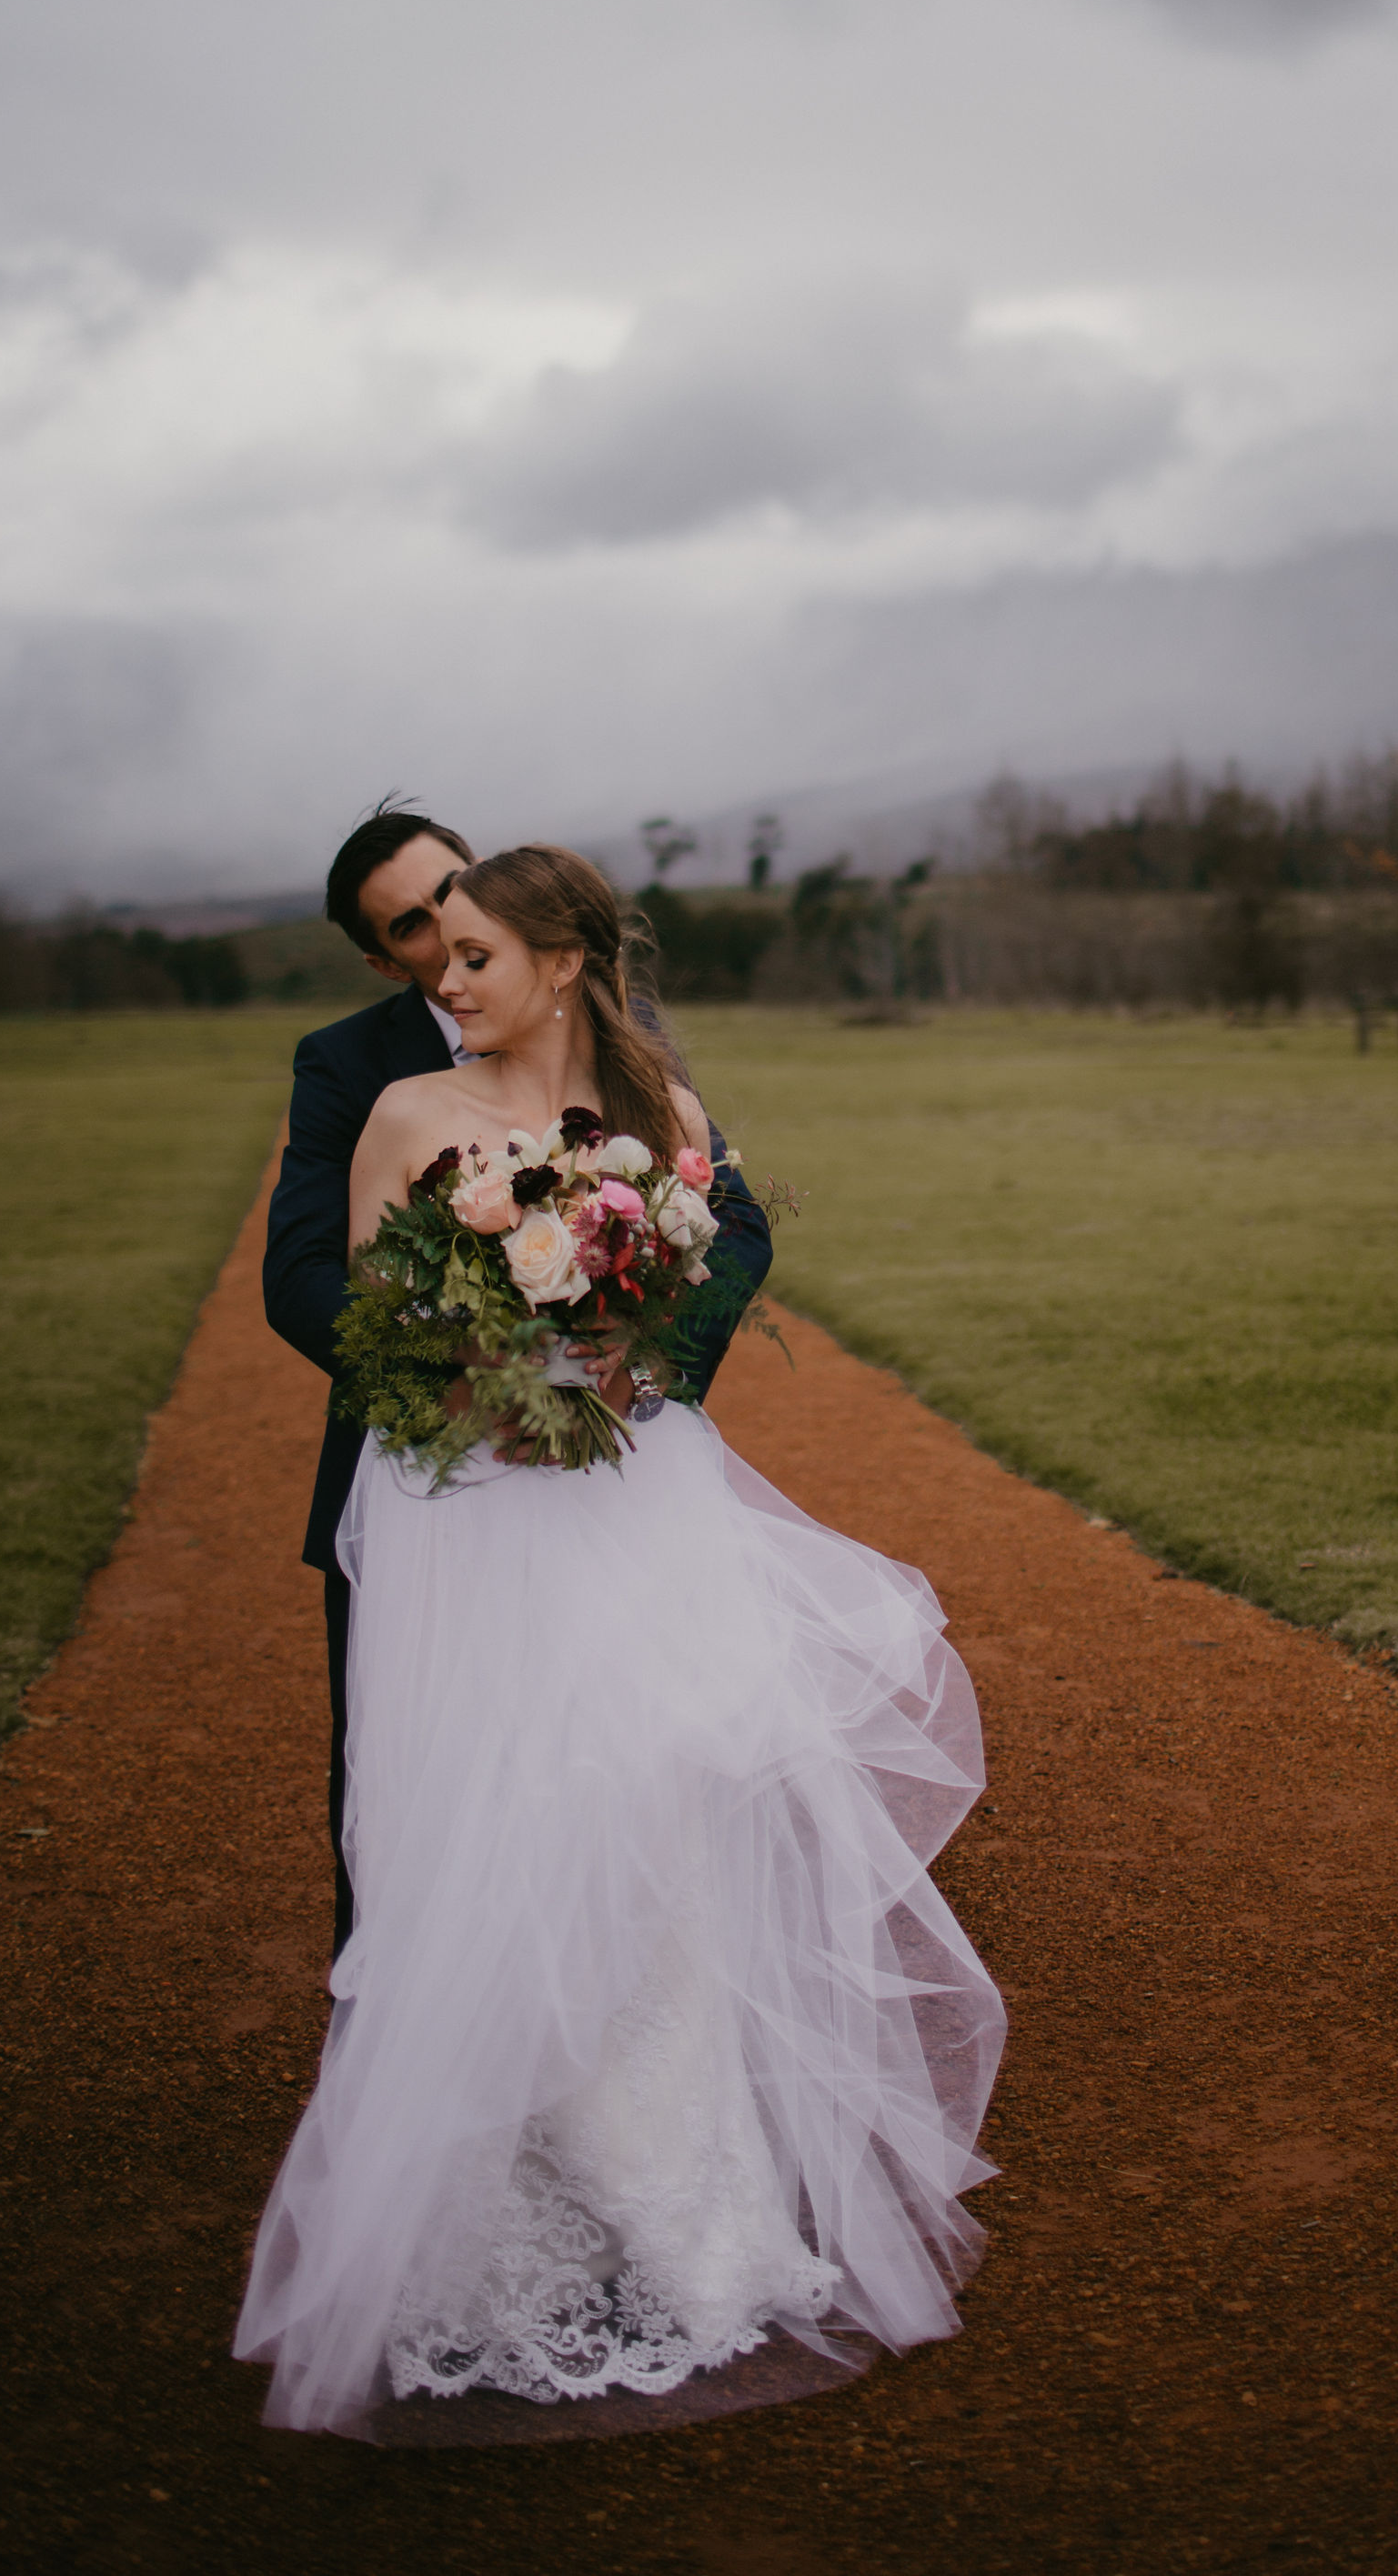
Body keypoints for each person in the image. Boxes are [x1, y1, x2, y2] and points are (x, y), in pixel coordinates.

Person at [236, 846, 1003, 2437]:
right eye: (430, 954)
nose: (445, 980)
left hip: (630, 1500)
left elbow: (709, 1267)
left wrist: (628, 1366)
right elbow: (359, 1318)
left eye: (472, 954)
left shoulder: (659, 1115)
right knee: (491, 1821)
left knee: (657, 1815)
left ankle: (684, 2209)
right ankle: (500, 2221)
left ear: (563, 962)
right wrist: (478, 1388)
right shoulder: (402, 1113)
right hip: (467, 1518)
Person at [263, 803, 776, 1957]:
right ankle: (410, 2019)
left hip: (618, 1466)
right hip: (444, 1479)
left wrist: (641, 1363)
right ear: (383, 956)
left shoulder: (632, 1057)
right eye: (415, 930)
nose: (447, 953)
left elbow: (724, 1224)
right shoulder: (363, 1078)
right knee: (422, 1789)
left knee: (640, 1763)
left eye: (460, 906)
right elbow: (303, 1279)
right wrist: (473, 1380)